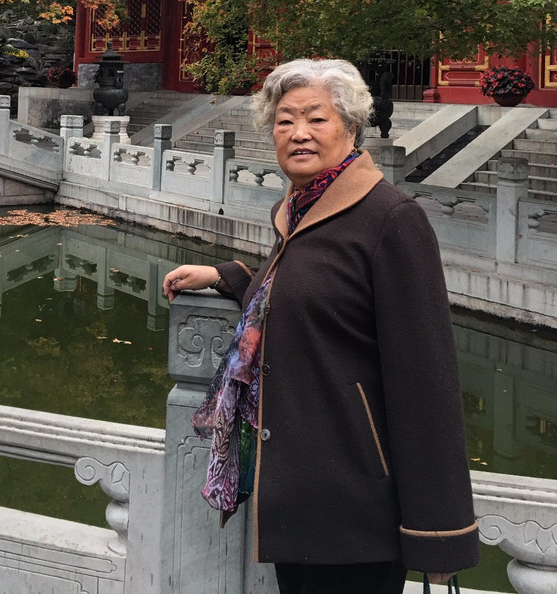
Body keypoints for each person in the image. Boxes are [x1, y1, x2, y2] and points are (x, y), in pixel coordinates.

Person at [162, 58, 480, 594]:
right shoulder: (301, 209)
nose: (299, 133)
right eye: (285, 121)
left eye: (316, 118)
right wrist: (231, 276)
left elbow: (426, 383)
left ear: (350, 127)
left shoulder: (391, 219)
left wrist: (439, 531)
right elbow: (302, 292)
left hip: (357, 508)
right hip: (298, 498)